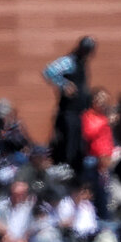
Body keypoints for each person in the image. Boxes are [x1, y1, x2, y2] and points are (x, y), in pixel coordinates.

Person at [43, 36, 95, 170]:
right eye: (85, 49)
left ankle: (76, 170)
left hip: (80, 111)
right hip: (68, 111)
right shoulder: (69, 61)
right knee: (68, 144)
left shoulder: (83, 63)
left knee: (79, 144)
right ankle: (66, 169)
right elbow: (48, 71)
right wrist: (64, 84)